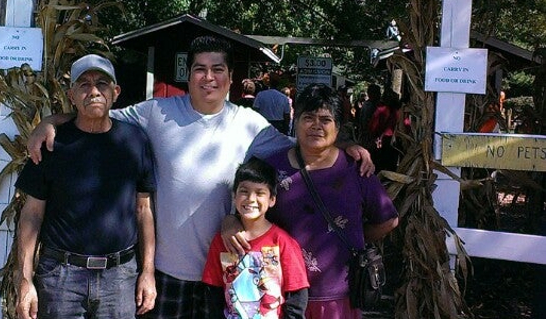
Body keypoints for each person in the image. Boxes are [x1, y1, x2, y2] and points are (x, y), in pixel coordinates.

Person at [27, 36, 373, 319]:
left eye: (217, 69)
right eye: (200, 69)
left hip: (226, 273)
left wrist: (345, 144)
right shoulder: (155, 112)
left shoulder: (249, 125)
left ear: (230, 78)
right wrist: (50, 121)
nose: (209, 77)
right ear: (188, 74)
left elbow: (304, 147)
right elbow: (95, 115)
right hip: (163, 273)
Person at [227, 84, 398, 319]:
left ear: (338, 128)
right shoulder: (271, 169)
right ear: (295, 121)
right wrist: (230, 221)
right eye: (308, 117)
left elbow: (388, 220)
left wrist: (353, 237)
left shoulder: (356, 170)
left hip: (339, 297)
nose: (316, 125)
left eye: (325, 119)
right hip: (278, 294)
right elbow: (247, 213)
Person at [15, 54, 157, 319]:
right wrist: (24, 281)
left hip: (120, 278)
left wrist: (147, 272)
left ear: (115, 92)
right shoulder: (50, 145)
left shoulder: (135, 141)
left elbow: (143, 210)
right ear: (71, 96)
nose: (94, 91)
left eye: (102, 84)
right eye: (84, 84)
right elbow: (32, 214)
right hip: (60, 278)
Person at [202, 157, 309, 319]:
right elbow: (212, 290)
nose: (251, 199)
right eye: (244, 191)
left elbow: (297, 294)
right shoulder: (221, 241)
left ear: (272, 199)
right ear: (234, 196)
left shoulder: (282, 242)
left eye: (260, 193)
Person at [368, 87, 402, 173]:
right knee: (392, 165)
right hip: (395, 141)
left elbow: (373, 127)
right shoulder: (399, 112)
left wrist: (374, 137)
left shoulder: (380, 110)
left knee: (379, 164)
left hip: (382, 141)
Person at [358, 84, 381, 150]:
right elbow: (366, 124)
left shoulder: (368, 104)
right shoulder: (369, 106)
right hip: (368, 139)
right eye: (378, 93)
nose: (380, 95)